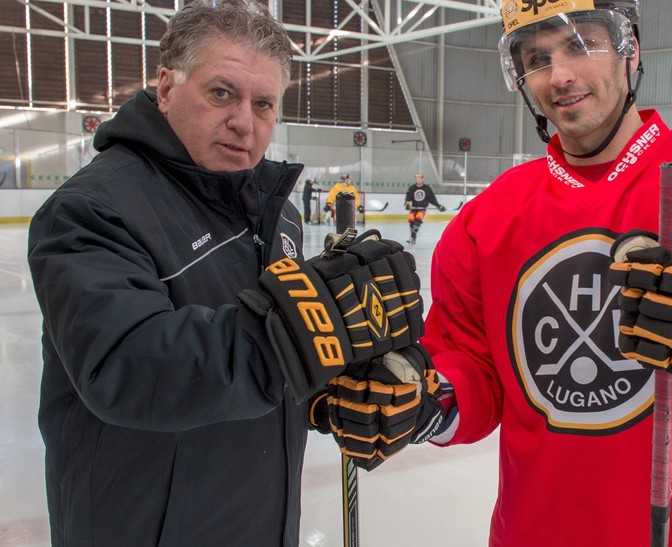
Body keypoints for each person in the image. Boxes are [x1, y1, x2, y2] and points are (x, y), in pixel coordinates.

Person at [325, 1, 672, 545]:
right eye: (537, 57)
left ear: (631, 51)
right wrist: (426, 401)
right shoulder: (485, 221)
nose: (559, 75)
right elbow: (474, 369)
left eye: (581, 44)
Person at [27, 1, 432, 545]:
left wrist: (331, 387)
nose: (244, 120)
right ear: (167, 88)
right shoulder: (92, 210)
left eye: (263, 103)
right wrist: (302, 338)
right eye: (222, 93)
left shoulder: (275, 213)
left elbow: (263, 359)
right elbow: (126, 366)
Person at [404, 172, 445, 245]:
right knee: (411, 222)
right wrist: (407, 204)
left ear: (422, 179)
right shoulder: (412, 188)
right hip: (414, 208)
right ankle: (413, 237)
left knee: (417, 222)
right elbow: (408, 197)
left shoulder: (426, 188)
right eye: (417, 179)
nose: (418, 180)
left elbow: (432, 198)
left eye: (420, 179)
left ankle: (412, 237)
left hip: (422, 209)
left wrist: (438, 205)